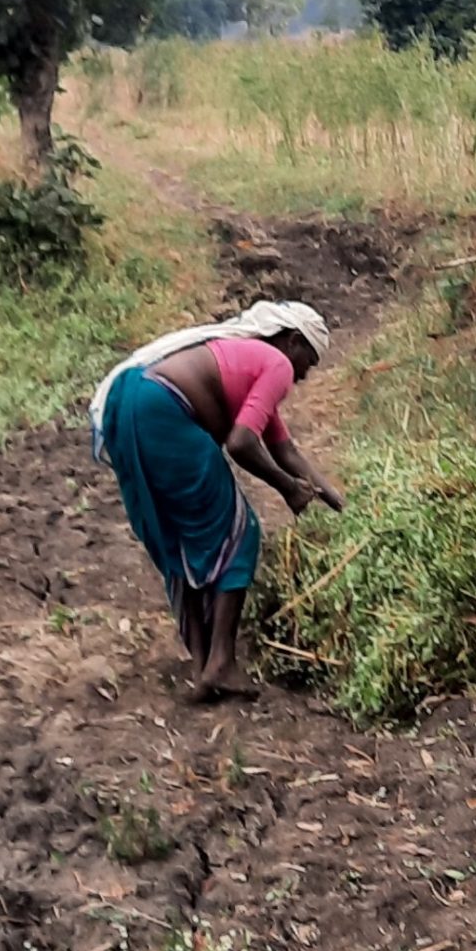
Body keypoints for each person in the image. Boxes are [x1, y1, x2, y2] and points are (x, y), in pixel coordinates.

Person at [89, 300, 345, 703]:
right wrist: (287, 487)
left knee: (180, 537)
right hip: (163, 410)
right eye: (306, 364)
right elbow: (241, 443)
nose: (300, 378)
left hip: (132, 407)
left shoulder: (245, 362)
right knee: (240, 532)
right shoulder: (274, 364)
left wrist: (337, 501)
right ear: (293, 341)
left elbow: (285, 449)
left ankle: (203, 665)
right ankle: (221, 662)